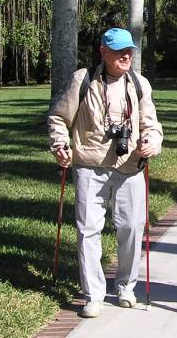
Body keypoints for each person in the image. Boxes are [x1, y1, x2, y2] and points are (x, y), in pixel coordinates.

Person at [48, 28, 163, 318]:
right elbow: (59, 117)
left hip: (130, 166)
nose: (126, 56)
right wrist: (60, 144)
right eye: (119, 51)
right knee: (88, 230)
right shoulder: (83, 80)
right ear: (103, 52)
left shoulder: (139, 84)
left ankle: (126, 286)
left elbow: (151, 124)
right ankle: (93, 294)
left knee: (131, 228)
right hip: (90, 165)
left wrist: (151, 142)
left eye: (129, 51)